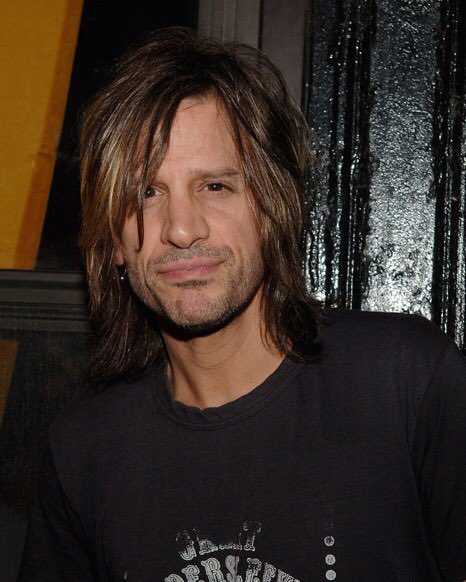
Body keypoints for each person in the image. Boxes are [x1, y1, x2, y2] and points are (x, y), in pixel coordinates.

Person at [19, 28, 466, 581]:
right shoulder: (83, 448)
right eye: (145, 193)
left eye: (214, 186)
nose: (182, 229)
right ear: (113, 239)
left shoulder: (406, 382)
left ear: (272, 206)